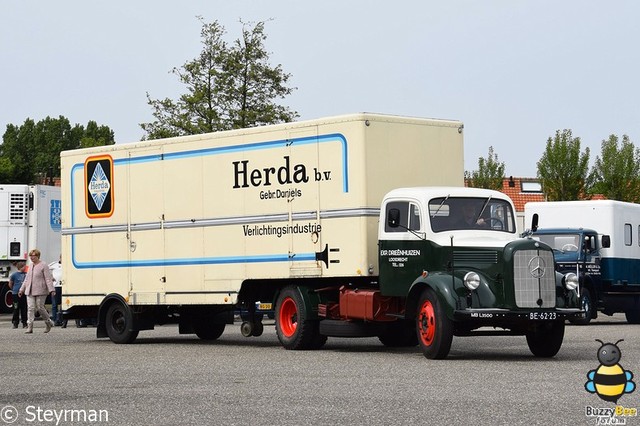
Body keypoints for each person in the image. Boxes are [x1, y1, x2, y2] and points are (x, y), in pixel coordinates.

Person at [18, 249, 55, 334]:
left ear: (38, 256)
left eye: (33, 256)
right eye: (30, 256)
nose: (31, 257)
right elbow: (27, 279)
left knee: (40, 308)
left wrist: (51, 289)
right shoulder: (30, 266)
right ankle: (29, 327)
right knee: (30, 308)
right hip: (29, 290)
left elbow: (48, 278)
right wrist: (21, 289)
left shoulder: (43, 265)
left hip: (41, 290)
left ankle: (48, 322)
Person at [10, 261, 27, 329]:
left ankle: (24, 322)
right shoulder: (14, 275)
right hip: (15, 294)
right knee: (16, 308)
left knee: (24, 308)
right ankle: (15, 322)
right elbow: (10, 283)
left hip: (24, 294)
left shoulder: (26, 274)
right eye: (23, 266)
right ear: (20, 267)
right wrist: (14, 289)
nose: (25, 268)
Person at [49, 255, 63, 326]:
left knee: (62, 304)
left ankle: (60, 319)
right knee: (54, 304)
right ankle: (54, 319)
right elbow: (45, 269)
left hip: (63, 286)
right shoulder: (54, 264)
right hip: (55, 286)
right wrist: (50, 276)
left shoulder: (68, 264)